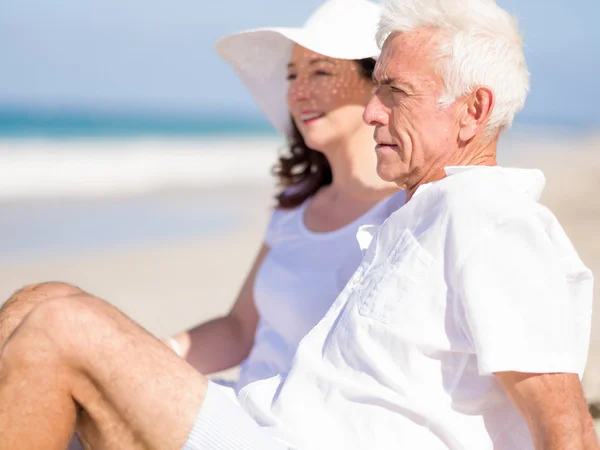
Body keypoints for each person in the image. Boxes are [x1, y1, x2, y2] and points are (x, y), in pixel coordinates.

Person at [0, 0, 597, 449]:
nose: (371, 110)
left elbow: (563, 417)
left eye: (394, 91)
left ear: (473, 111)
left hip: (285, 439)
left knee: (61, 325)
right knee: (42, 299)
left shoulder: (491, 218)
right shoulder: (411, 210)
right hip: (270, 418)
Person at [163, 0, 403, 391]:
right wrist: (156, 353)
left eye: (321, 72)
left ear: (377, 84)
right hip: (243, 407)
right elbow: (240, 329)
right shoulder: (296, 204)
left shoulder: (404, 209)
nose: (298, 92)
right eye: (292, 76)